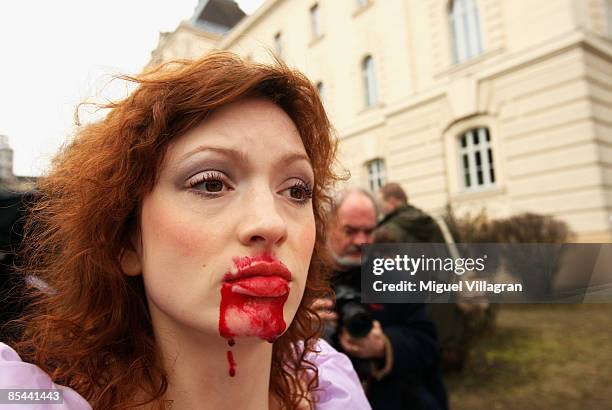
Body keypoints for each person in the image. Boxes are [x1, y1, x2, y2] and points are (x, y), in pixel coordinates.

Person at [0, 52, 370, 410]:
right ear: (127, 239)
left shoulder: (335, 388)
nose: (270, 223)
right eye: (210, 184)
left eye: (296, 190)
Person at [319, 188, 448, 410]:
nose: (361, 241)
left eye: (369, 231)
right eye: (350, 231)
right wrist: (300, 330)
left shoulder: (393, 275)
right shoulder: (303, 279)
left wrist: (384, 345)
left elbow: (427, 343)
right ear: (326, 226)